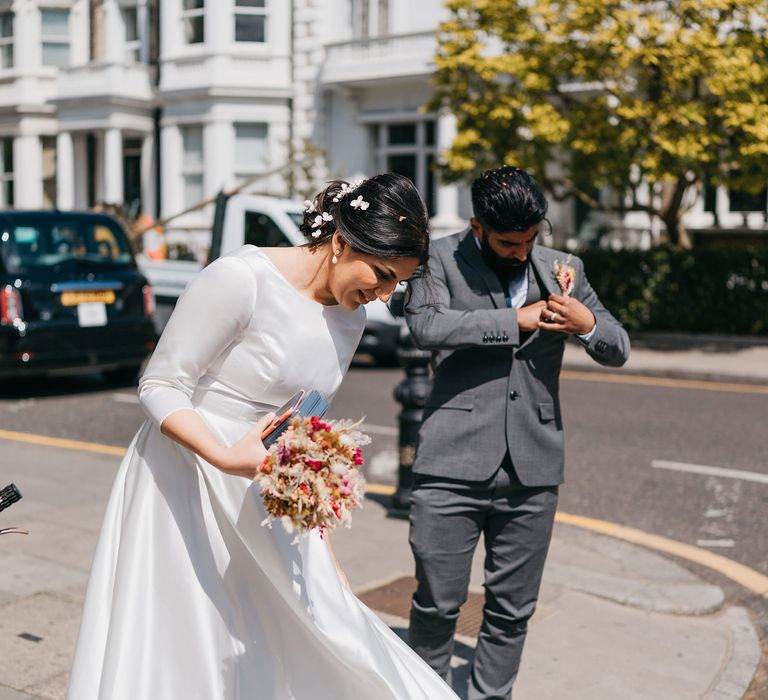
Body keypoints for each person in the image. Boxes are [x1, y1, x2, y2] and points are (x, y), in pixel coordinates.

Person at [67, 174, 459, 700]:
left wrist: (321, 537)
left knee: (316, 635)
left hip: (263, 495)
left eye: (397, 285)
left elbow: (303, 424)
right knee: (191, 639)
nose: (386, 295)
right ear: (341, 241)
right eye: (383, 275)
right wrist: (223, 456)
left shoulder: (352, 319)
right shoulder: (241, 278)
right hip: (183, 480)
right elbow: (160, 383)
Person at [405, 166, 630, 699]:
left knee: (512, 609)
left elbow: (619, 346)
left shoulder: (563, 267)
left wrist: (587, 324)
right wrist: (516, 321)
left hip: (533, 466)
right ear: (477, 226)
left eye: (532, 239)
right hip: (451, 463)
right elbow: (426, 327)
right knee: (437, 602)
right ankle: (420, 692)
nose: (522, 251)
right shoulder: (437, 258)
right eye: (509, 242)